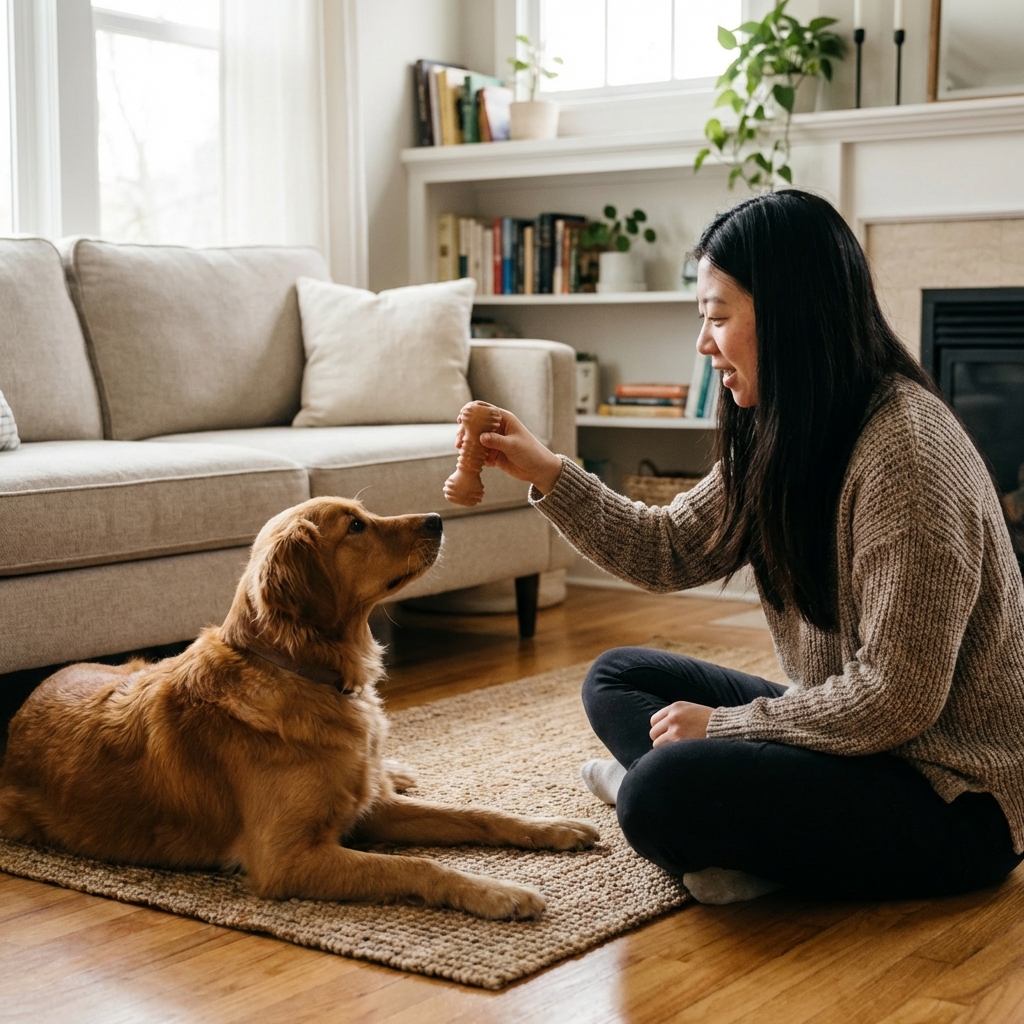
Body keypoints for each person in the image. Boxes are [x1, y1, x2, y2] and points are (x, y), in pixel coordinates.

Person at [469, 189, 1024, 903]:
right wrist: (547, 471)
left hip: (953, 796)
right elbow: (668, 549)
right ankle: (740, 842)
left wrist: (726, 730)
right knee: (617, 677)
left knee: (659, 794)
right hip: (855, 739)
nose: (704, 344)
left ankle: (707, 821)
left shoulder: (906, 454)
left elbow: (897, 698)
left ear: (790, 315)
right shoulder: (786, 429)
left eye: (717, 317)